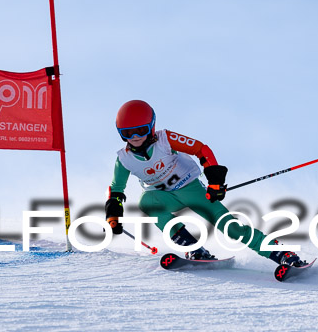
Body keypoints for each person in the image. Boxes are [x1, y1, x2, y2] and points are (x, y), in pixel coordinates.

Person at [104, 100, 307, 267]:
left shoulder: (165, 139)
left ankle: (282, 254)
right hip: (164, 197)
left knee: (231, 229)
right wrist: (113, 212)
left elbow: (201, 149)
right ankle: (194, 248)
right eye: (128, 133)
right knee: (146, 202)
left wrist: (215, 180)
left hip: (192, 190)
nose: (135, 137)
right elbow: (116, 189)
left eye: (140, 130)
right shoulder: (124, 159)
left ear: (151, 126)